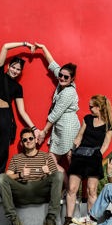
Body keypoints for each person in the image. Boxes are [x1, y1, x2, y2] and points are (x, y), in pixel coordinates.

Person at [0, 42, 41, 204]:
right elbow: (4, 47)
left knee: (0, 157)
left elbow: (22, 111)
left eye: (19, 69)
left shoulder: (18, 87)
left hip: (4, 118)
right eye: (14, 67)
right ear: (8, 65)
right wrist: (24, 44)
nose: (15, 71)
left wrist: (34, 128)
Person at [61, 95, 112, 225]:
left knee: (91, 190)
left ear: (99, 107)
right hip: (80, 155)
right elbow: (79, 136)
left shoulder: (109, 126)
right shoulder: (87, 119)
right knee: (72, 189)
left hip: (94, 157)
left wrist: (97, 156)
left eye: (91, 106)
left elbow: (105, 145)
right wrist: (72, 150)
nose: (89, 108)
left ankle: (91, 221)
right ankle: (68, 220)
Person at [0, 127, 64, 225]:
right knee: (0, 177)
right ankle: (14, 219)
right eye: (25, 140)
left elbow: (56, 178)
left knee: (59, 175)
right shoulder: (16, 158)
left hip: (40, 190)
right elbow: (6, 177)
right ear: (22, 143)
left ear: (36, 140)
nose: (28, 141)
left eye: (30, 138)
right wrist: (20, 175)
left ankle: (50, 219)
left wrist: (48, 173)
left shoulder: (46, 157)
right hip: (22, 191)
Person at [36, 43, 80, 192]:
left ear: (72, 79)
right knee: (52, 161)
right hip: (59, 127)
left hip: (68, 126)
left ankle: (71, 192)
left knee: (69, 158)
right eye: (60, 75)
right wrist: (43, 48)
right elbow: (54, 65)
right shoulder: (62, 81)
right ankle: (67, 189)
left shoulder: (68, 92)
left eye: (65, 76)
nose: (61, 77)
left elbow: (56, 113)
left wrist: (43, 132)